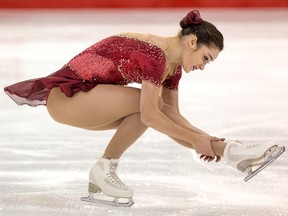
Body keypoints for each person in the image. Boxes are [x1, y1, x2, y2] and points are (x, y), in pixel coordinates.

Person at [4, 10, 284, 207]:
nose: (203, 66)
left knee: (148, 110)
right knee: (148, 107)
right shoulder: (155, 55)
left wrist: (211, 142)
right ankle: (102, 170)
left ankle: (234, 153)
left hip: (85, 102)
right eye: (206, 58)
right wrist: (197, 140)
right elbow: (153, 114)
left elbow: (171, 116)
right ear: (192, 42)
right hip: (67, 98)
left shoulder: (172, 66)